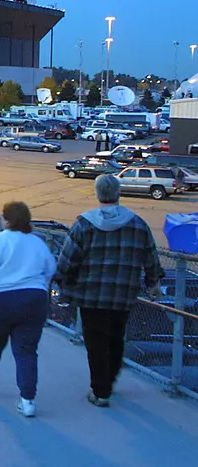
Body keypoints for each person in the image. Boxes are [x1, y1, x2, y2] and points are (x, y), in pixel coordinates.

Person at [55, 175, 164, 408]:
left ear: (97, 194)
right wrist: (153, 282)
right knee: (116, 338)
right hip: (124, 294)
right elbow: (151, 258)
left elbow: (68, 260)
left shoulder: (84, 224)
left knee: (95, 343)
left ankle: (100, 390)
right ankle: (110, 380)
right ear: (118, 193)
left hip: (91, 296)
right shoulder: (138, 224)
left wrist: (63, 281)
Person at [0, 201, 57, 417]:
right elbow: (50, 268)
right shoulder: (37, 243)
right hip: (34, 299)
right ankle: (27, 401)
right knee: (26, 351)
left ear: (6, 219)